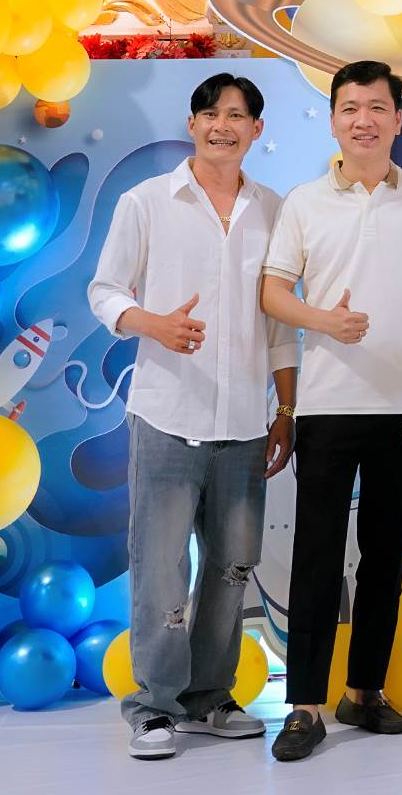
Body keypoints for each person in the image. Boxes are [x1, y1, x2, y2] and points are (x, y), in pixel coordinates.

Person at [87, 72, 297, 760]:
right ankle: (153, 706)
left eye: (236, 116)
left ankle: (209, 697)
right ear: (192, 124)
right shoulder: (148, 201)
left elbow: (280, 326)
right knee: (160, 567)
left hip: (244, 421)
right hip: (167, 414)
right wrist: (152, 323)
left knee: (232, 566)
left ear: (256, 130)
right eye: (209, 113)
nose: (221, 126)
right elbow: (104, 290)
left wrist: (285, 407)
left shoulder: (274, 210)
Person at [262, 61, 402, 763]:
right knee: (315, 557)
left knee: (384, 560)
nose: (363, 120)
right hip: (328, 405)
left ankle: (364, 690)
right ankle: (305, 704)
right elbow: (273, 292)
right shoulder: (305, 202)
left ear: (399, 119)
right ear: (334, 120)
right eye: (349, 108)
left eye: (376, 107)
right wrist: (324, 322)